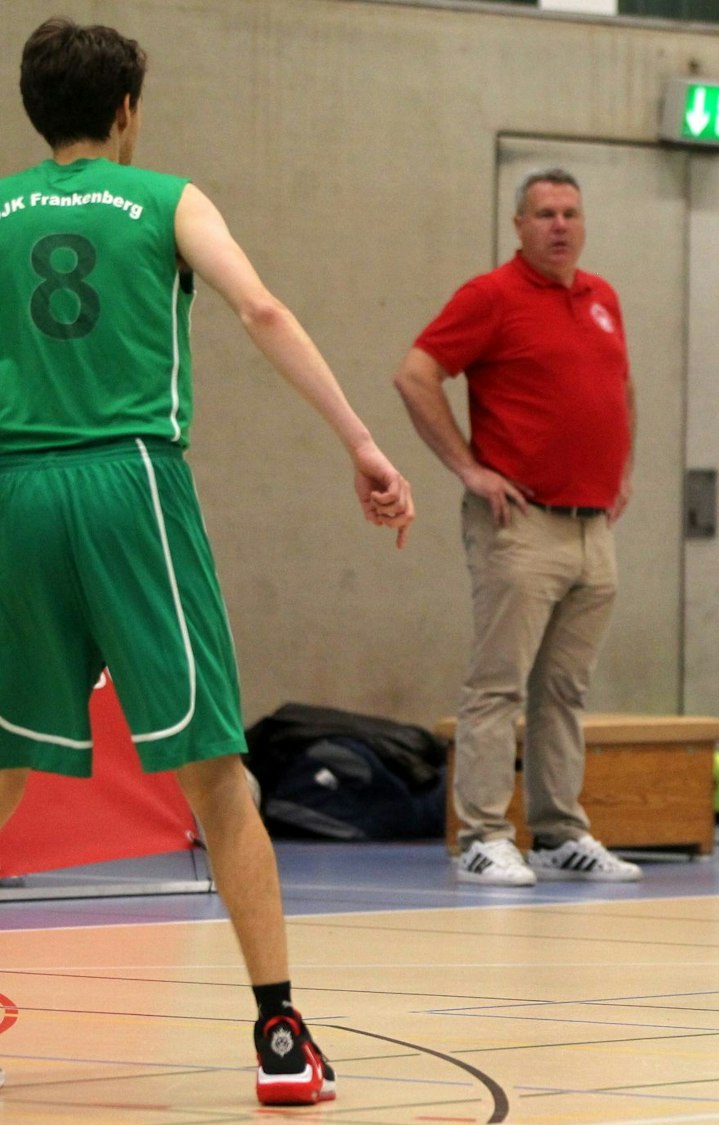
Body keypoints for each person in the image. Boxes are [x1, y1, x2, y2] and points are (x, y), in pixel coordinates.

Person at [0, 18, 414, 1104]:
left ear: (34, 112)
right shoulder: (164, 198)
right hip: (130, 482)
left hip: (16, 492)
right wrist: (363, 444)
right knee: (214, 767)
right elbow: (261, 307)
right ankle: (280, 1035)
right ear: (128, 110)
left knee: (3, 763)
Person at [393, 168, 640, 887]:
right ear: (518, 225)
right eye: (544, 214)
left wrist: (622, 469)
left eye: (570, 213)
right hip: (521, 523)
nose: (559, 225)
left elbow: (620, 388)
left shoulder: (603, 300)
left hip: (594, 527)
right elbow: (415, 374)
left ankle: (559, 831)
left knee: (565, 688)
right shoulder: (490, 297)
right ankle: (483, 833)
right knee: (498, 683)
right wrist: (470, 468)